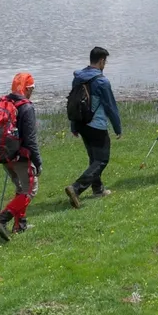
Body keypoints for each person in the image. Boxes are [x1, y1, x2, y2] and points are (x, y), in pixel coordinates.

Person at [65, 48, 122, 208]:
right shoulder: (102, 81)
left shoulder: (77, 78)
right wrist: (117, 128)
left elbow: (74, 102)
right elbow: (111, 107)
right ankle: (76, 188)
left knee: (94, 159)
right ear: (102, 61)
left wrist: (74, 125)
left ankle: (98, 189)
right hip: (96, 125)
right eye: (105, 61)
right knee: (102, 159)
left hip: (82, 124)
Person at [0, 73, 43, 239]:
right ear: (26, 89)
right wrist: (38, 162)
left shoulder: (5, 101)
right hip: (20, 157)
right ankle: (2, 218)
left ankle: (20, 225)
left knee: (22, 189)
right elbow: (30, 140)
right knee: (30, 190)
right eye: (32, 89)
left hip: (4, 155)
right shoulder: (26, 107)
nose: (32, 92)